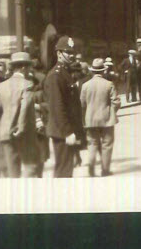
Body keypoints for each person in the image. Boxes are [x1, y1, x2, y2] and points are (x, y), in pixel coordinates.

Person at [0, 51, 41, 178]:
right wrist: (21, 127)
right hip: (24, 134)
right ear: (24, 67)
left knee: (13, 171)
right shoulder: (27, 84)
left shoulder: (1, 86)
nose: (30, 69)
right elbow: (25, 108)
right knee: (31, 168)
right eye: (29, 66)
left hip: (6, 134)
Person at [43, 36, 84, 178]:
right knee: (63, 172)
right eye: (68, 53)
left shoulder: (66, 73)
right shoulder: (55, 76)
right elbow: (57, 107)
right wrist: (67, 132)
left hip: (68, 130)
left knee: (67, 170)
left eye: (73, 53)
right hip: (62, 132)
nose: (72, 56)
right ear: (59, 53)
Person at [80, 58, 121, 177]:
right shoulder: (109, 84)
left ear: (92, 71)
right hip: (107, 119)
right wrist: (112, 111)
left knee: (92, 144)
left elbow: (82, 104)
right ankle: (105, 170)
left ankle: (91, 169)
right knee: (107, 145)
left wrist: (85, 116)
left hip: (90, 120)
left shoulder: (85, 85)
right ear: (103, 71)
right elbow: (116, 102)